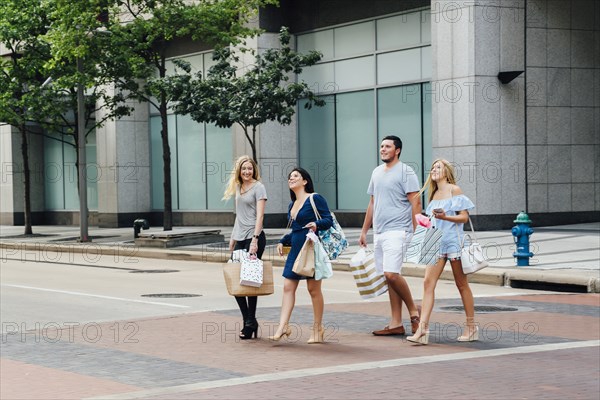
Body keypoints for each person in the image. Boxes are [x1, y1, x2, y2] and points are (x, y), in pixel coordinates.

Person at [407, 159, 478, 345]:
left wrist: (445, 216)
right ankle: (422, 329)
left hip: (453, 242)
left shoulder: (454, 190)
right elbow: (433, 222)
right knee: (427, 283)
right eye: (432, 167)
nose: (434, 170)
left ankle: (471, 327)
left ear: (446, 171)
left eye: (438, 167)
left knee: (461, 285)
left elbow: (464, 217)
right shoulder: (434, 194)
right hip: (434, 241)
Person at [359, 135, 422, 336]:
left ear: (398, 150)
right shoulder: (376, 172)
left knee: (391, 274)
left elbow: (416, 201)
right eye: (381, 146)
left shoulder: (406, 171)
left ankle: (414, 311)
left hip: (399, 230)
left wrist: (417, 231)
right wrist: (364, 230)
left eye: (388, 146)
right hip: (380, 231)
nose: (383, 149)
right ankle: (396, 323)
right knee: (389, 276)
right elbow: (372, 202)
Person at [273, 167, 333, 344]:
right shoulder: (292, 204)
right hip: (296, 250)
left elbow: (328, 219)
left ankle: (317, 328)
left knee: (313, 290)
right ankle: (283, 326)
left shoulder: (315, 198)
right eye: (290, 177)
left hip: (311, 249)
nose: (291, 179)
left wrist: (316, 223)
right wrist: (283, 240)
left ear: (305, 181)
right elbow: (296, 230)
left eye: (295, 176)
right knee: (287, 287)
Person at [223, 155, 267, 340]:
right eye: (244, 169)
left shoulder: (259, 187)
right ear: (239, 171)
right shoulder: (239, 188)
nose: (247, 172)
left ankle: (249, 324)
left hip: (253, 237)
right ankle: (249, 319)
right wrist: (233, 238)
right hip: (240, 237)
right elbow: (238, 216)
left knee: (250, 281)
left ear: (253, 170)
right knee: (236, 281)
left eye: (250, 168)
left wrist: (255, 240)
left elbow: (260, 216)